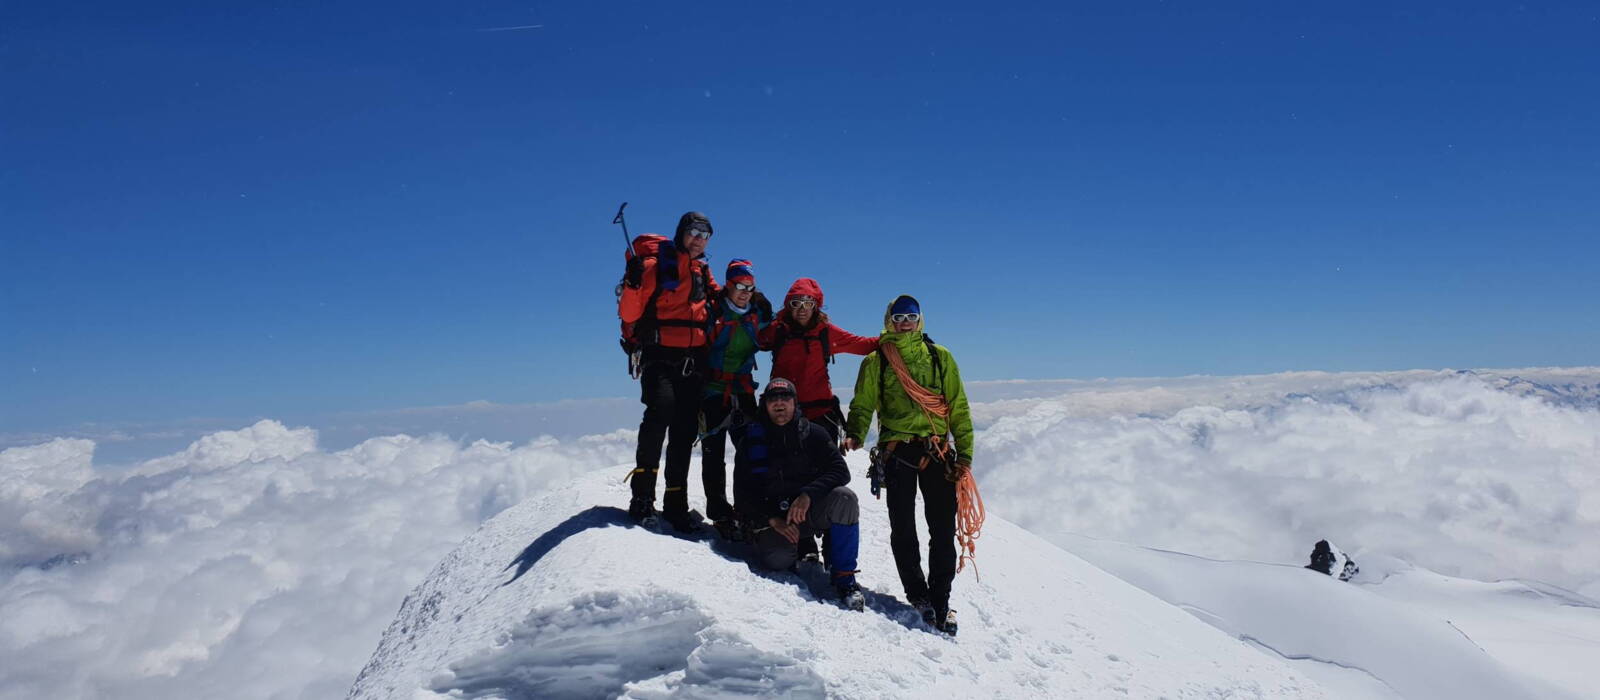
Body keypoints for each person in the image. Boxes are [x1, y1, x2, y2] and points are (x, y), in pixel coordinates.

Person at [844, 294, 973, 635]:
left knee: (942, 531)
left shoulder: (939, 357)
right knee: (903, 529)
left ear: (920, 320)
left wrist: (966, 454)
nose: (904, 322)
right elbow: (863, 402)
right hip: (898, 451)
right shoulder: (877, 361)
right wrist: (855, 433)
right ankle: (919, 596)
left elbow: (957, 407)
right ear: (889, 320)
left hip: (936, 452)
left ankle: (941, 600)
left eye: (910, 317)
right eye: (898, 317)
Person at [617, 211, 719, 528]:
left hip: (694, 357)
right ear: (681, 233)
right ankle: (642, 498)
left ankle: (676, 502)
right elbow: (629, 310)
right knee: (660, 413)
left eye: (705, 235)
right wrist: (633, 284)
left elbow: (720, 301)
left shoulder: (702, 270)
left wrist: (753, 300)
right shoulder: (652, 266)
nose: (698, 239)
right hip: (658, 353)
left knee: (685, 429)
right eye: (693, 232)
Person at [733, 378, 865, 610]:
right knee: (778, 559)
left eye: (786, 399)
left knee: (845, 498)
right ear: (765, 405)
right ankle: (790, 550)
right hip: (773, 519)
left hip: (808, 513)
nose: (780, 404)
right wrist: (772, 520)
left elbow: (840, 471)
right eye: (773, 400)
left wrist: (807, 495)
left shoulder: (813, 433)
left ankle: (845, 578)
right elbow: (743, 494)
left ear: (795, 403)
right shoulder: (752, 440)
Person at [699, 258, 773, 537]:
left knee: (750, 453)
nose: (744, 291)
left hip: (743, 393)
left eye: (750, 286)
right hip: (712, 392)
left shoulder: (757, 312)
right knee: (713, 455)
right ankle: (719, 513)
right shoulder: (712, 313)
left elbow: (778, 331)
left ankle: (748, 509)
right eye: (739, 285)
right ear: (728, 285)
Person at [759, 278, 878, 443]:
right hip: (783, 415)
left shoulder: (825, 332)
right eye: (796, 303)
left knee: (825, 467)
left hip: (820, 415)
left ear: (816, 305)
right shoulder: (777, 330)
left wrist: (896, 339)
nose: (802, 309)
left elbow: (862, 345)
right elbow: (747, 339)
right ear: (788, 306)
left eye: (808, 303)